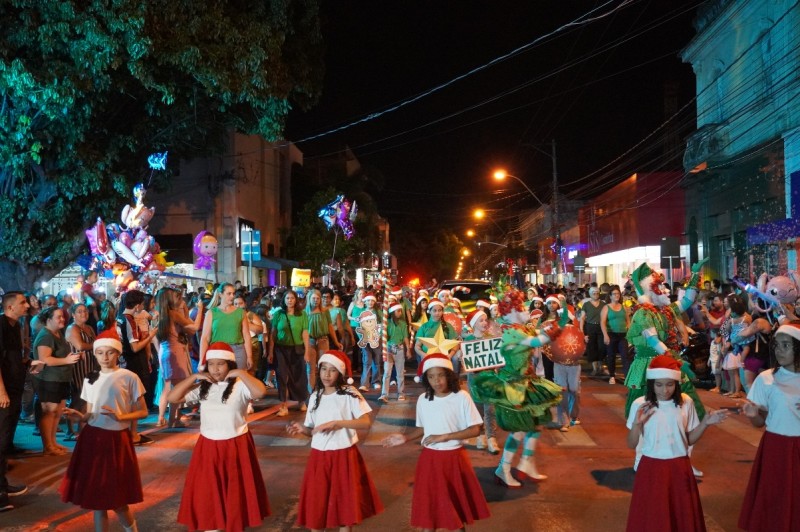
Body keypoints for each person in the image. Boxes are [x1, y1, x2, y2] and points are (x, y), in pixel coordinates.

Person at [168, 342, 270, 532]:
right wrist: (193, 377)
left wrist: (241, 373)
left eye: (220, 364)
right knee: (208, 496)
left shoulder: (240, 385)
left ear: (230, 364)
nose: (215, 369)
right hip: (208, 448)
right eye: (211, 364)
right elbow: (173, 398)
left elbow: (261, 392)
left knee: (234, 496)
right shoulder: (204, 387)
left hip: (236, 446)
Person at [383, 353, 490, 531]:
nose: (436, 381)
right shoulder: (423, 400)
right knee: (430, 511)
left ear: (448, 375)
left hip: (454, 459)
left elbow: (475, 429)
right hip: (429, 460)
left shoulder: (461, 397)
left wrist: (445, 436)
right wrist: (406, 437)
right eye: (431, 377)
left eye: (440, 375)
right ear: (426, 379)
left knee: (455, 513)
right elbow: (424, 428)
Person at [59, 329, 148, 532]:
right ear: (95, 354)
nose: (105, 357)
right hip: (92, 439)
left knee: (118, 499)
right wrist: (79, 416)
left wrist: (122, 416)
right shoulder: (90, 378)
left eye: (110, 352)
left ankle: (132, 529)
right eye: (100, 353)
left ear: (118, 353)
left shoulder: (129, 377)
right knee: (97, 500)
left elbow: (142, 411)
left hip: (117, 440)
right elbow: (91, 414)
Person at [625, 355, 727, 532]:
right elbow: (631, 443)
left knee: (680, 514)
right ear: (651, 383)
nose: (665, 390)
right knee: (652, 516)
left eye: (670, 384)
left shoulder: (685, 402)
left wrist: (705, 423)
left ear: (676, 383)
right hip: (651, 467)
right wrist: (637, 423)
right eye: (659, 385)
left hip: (679, 466)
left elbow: (688, 440)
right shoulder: (640, 405)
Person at [287, 350, 383, 530]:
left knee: (345, 506)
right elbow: (312, 431)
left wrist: (338, 423)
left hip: (344, 456)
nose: (327, 374)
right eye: (323, 369)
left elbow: (365, 422)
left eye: (332, 370)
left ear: (340, 372)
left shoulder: (349, 393)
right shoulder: (315, 396)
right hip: (319, 458)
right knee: (318, 504)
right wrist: (303, 430)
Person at [738, 322, 800, 532]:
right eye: (777, 345)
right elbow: (759, 423)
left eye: (786, 346)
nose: (779, 351)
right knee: (775, 494)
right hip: (776, 446)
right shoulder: (766, 379)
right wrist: (753, 415)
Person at [33, 306, 80, 455]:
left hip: (61, 379)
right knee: (50, 411)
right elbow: (44, 359)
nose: (62, 319)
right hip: (49, 379)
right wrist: (66, 360)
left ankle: (53, 443)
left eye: (63, 316)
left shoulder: (57, 333)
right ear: (48, 320)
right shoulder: (46, 336)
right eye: (58, 317)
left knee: (57, 412)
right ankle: (48, 446)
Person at [0, 292, 31, 510]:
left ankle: (2, 485)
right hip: (4, 393)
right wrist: (1, 392)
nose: (27, 305)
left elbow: (11, 359)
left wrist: (27, 363)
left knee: (5, 443)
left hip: (14, 388)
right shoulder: (1, 325)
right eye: (22, 302)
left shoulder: (15, 325)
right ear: (10, 307)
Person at [154, 287, 202, 428]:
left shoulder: (160, 314)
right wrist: (199, 310)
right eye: (176, 297)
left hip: (165, 352)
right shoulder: (173, 314)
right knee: (179, 388)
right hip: (175, 353)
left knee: (169, 386)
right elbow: (194, 328)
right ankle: (171, 420)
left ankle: (166, 418)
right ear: (169, 299)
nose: (179, 299)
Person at [116, 290, 157, 446]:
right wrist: (151, 335)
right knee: (135, 399)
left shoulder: (119, 318)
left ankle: (131, 432)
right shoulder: (129, 320)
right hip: (134, 363)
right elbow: (135, 347)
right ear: (138, 305)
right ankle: (132, 434)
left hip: (125, 363)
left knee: (130, 398)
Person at [462, 309, 500, 454]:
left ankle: (492, 438)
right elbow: (466, 361)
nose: (485, 323)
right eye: (481, 320)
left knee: (490, 409)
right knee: (477, 408)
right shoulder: (468, 341)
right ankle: (481, 435)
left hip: (490, 378)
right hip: (475, 379)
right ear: (474, 324)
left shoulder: (491, 338)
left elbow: (498, 358)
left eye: (486, 320)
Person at [268, 290, 310, 417]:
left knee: (299, 375)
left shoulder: (302, 315)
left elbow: (305, 333)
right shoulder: (278, 314)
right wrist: (270, 351)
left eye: (292, 298)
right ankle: (283, 404)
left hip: (297, 348)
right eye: (287, 298)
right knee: (281, 375)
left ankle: (301, 401)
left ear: (296, 300)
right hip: (281, 349)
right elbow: (273, 333)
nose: (290, 300)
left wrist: (307, 351)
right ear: (284, 300)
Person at [200, 283, 253, 372]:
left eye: (233, 293)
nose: (232, 296)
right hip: (217, 350)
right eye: (229, 294)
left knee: (239, 381)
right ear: (220, 294)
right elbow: (205, 338)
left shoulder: (240, 312)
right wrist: (202, 360)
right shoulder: (211, 313)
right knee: (220, 382)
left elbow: (246, 336)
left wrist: (249, 356)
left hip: (238, 351)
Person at [64, 303, 97, 440]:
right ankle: (70, 430)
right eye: (79, 311)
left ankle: (82, 428)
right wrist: (96, 345)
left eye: (85, 311)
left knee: (87, 399)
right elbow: (80, 346)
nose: (83, 313)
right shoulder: (72, 328)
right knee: (78, 397)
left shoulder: (89, 328)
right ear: (73, 315)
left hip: (90, 366)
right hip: (78, 367)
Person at [305, 288, 342, 392]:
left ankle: (324, 389)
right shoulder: (305, 313)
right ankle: (311, 391)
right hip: (310, 341)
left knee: (324, 366)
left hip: (323, 340)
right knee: (311, 368)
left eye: (318, 298)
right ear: (309, 298)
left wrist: (336, 341)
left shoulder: (324, 312)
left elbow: (330, 327)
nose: (316, 300)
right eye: (314, 298)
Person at [378, 303, 411, 403]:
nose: (400, 313)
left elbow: (405, 337)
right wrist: (383, 332)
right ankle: (384, 394)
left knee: (400, 373)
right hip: (389, 348)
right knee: (387, 372)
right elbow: (383, 338)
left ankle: (401, 393)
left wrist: (408, 349)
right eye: (398, 311)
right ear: (392, 312)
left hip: (399, 348)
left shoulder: (402, 323)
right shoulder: (386, 323)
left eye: (401, 310)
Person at [600, 285, 630, 384]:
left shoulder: (624, 307)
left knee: (625, 356)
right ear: (610, 296)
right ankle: (612, 375)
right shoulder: (606, 307)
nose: (617, 295)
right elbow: (603, 322)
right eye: (614, 294)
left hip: (623, 335)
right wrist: (605, 335)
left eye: (618, 293)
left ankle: (627, 377)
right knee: (611, 356)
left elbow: (628, 322)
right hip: (611, 334)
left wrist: (629, 334)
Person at [580, 286, 606, 376]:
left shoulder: (603, 304)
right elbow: (582, 318)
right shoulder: (586, 305)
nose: (595, 294)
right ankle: (595, 368)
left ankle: (601, 366)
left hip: (601, 327)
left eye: (597, 293)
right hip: (590, 327)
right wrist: (582, 332)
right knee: (592, 348)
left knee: (602, 347)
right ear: (590, 294)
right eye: (593, 293)